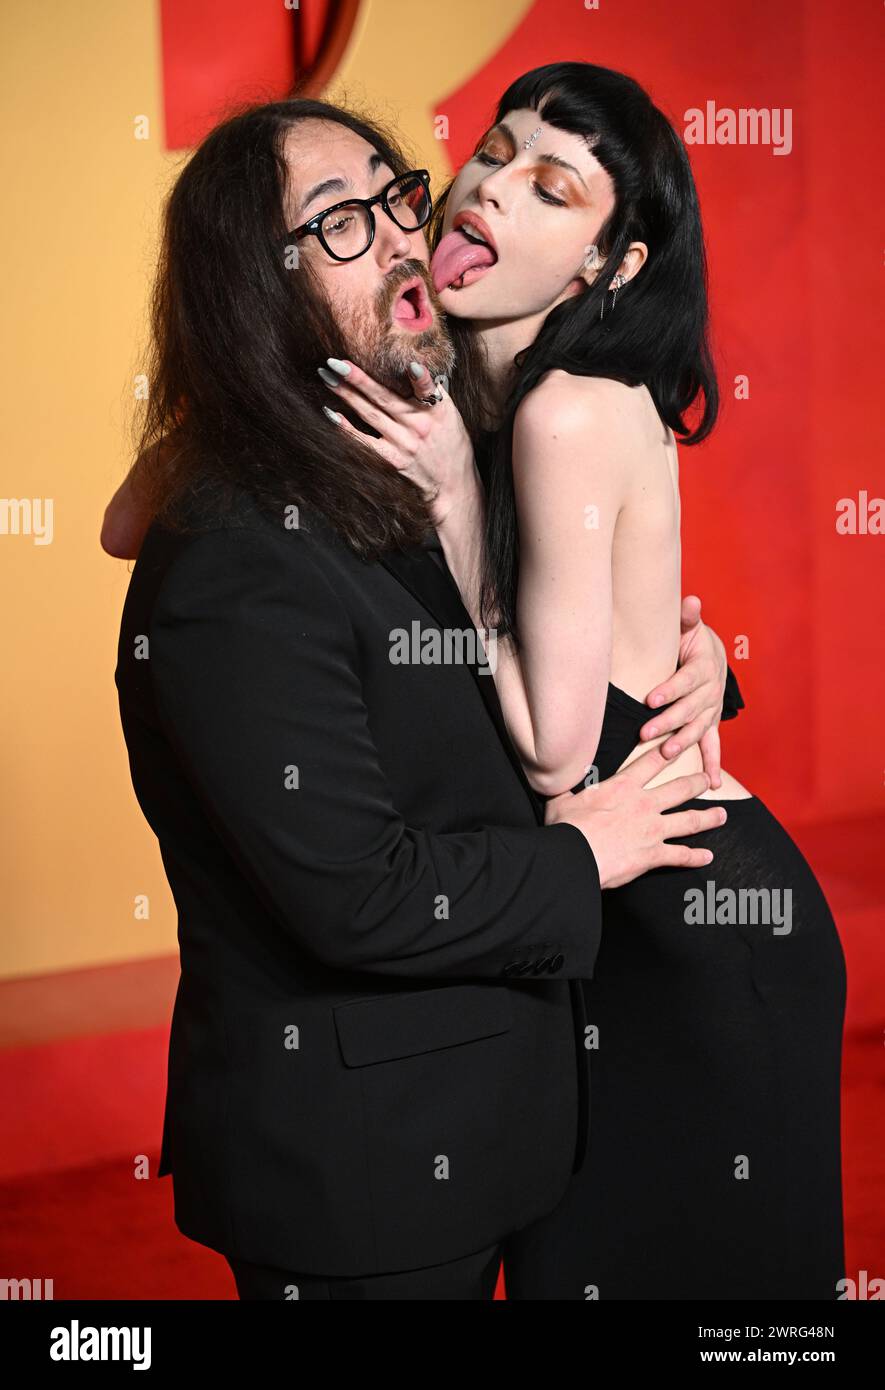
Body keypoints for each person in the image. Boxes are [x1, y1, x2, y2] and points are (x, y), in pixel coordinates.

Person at [106, 96, 736, 1300]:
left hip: (510, 1125)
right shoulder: (236, 554)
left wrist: (704, 670)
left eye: (397, 196)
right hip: (364, 1175)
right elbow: (356, 892)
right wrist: (579, 858)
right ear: (257, 283)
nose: (406, 232)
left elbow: (530, 648)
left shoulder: (421, 446)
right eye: (340, 220)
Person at [323, 63, 847, 1299]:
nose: (491, 190)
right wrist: (696, 656)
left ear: (608, 267)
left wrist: (457, 501)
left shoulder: (562, 413)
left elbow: (561, 751)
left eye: (551, 188)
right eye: (495, 153)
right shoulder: (463, 377)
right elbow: (132, 523)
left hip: (696, 938)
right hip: (591, 938)